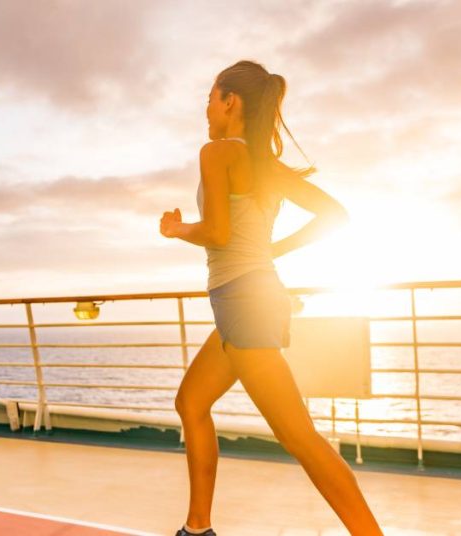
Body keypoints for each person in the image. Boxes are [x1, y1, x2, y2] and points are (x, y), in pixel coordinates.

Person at [159, 60, 383, 536]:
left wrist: (178, 230)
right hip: (248, 297)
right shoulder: (265, 165)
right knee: (192, 402)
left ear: (229, 101)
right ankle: (197, 529)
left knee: (298, 435)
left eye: (209, 97)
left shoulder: (217, 152)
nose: (206, 108)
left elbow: (218, 232)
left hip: (243, 300)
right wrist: (271, 250)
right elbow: (334, 215)